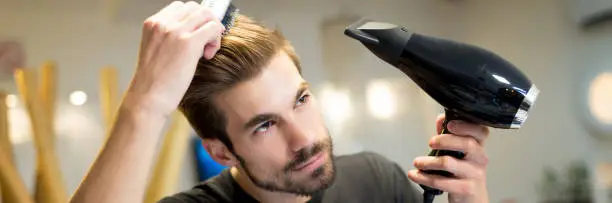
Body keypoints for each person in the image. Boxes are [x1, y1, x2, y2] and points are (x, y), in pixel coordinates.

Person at [69, 2, 491, 203]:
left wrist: (471, 199)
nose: (304, 138)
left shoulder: (377, 180)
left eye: (301, 100)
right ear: (219, 150)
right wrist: (146, 103)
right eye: (264, 125)